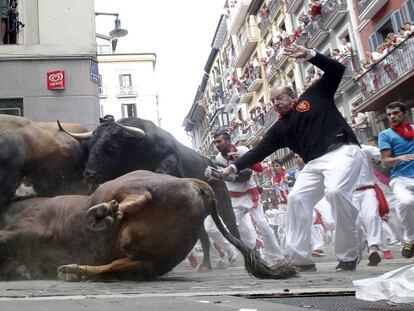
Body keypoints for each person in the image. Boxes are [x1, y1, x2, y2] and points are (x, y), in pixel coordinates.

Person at [220, 44, 363, 272]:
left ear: (292, 96)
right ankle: (300, 259)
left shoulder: (315, 95)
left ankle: (348, 255)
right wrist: (233, 168)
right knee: (296, 198)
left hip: (343, 151)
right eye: (272, 101)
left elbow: (337, 70)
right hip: (314, 163)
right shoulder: (280, 128)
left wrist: (310, 55)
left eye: (279, 98)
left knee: (335, 192)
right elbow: (260, 150)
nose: (275, 103)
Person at [213, 130, 286, 266]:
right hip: (233, 196)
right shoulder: (218, 158)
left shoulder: (242, 149)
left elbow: (258, 168)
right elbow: (227, 178)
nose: (217, 145)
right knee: (238, 227)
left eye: (219, 141)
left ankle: (278, 258)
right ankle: (254, 248)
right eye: (215, 142)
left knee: (263, 224)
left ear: (228, 141)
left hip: (249, 192)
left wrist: (241, 162)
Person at [378, 101, 414, 259]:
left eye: (396, 113)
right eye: (389, 114)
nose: (392, 117)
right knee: (406, 202)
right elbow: (385, 161)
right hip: (400, 178)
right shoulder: (385, 135)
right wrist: (399, 158)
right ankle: (410, 239)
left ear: (405, 114)